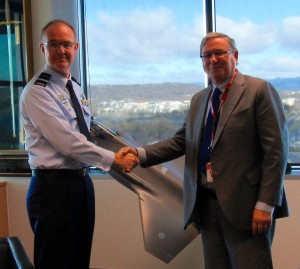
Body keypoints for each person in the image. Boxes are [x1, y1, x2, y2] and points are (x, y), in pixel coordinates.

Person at [124, 32, 289, 268]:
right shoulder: (200, 99)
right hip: (206, 207)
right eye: (207, 55)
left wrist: (266, 204)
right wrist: (138, 154)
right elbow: (181, 141)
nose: (213, 59)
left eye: (219, 52)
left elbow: (277, 153)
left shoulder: (259, 90)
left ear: (236, 55)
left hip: (247, 207)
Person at [20, 19, 138, 269]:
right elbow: (68, 142)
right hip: (52, 189)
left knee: (78, 259)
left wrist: (123, 146)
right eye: (53, 44)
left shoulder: (73, 87)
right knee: (56, 261)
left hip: (79, 183)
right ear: (43, 49)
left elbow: (86, 131)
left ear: (75, 47)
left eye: (66, 44)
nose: (61, 50)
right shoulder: (38, 92)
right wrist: (114, 159)